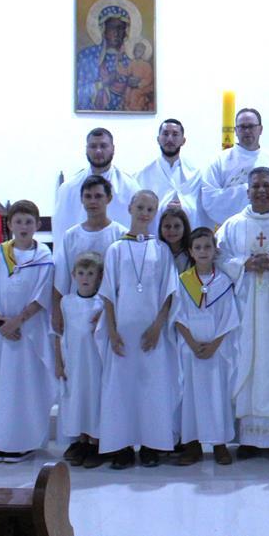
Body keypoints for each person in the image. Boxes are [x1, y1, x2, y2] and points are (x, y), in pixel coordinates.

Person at [217, 168, 269, 460]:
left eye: (267, 186)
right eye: (256, 186)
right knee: (246, 364)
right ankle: (249, 439)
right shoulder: (233, 225)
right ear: (247, 191)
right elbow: (220, 258)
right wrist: (244, 264)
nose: (261, 191)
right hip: (245, 309)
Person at [96, 190, 178, 469]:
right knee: (121, 389)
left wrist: (158, 326)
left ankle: (152, 444)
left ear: (155, 214)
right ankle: (121, 446)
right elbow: (108, 293)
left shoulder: (162, 250)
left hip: (152, 333)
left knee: (152, 388)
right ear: (130, 208)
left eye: (150, 209)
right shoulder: (116, 249)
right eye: (140, 207)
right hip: (123, 332)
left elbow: (169, 292)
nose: (144, 213)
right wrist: (111, 331)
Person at [0, 200, 56, 464]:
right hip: (2, 335)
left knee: (27, 388)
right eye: (18, 221)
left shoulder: (43, 256)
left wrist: (17, 321)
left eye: (29, 222)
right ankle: (3, 441)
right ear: (9, 225)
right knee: (1, 387)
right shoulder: (0, 253)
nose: (23, 227)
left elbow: (41, 296)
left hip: (28, 334)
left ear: (38, 225)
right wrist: (0, 323)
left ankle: (25, 442)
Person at [173, 227, 240, 467]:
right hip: (190, 351)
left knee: (216, 396)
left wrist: (214, 345)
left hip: (216, 351)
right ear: (190, 251)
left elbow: (229, 317)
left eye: (207, 247)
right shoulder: (183, 281)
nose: (203, 252)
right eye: (198, 247)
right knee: (190, 398)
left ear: (215, 250)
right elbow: (178, 316)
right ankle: (192, 445)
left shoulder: (223, 282)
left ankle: (219, 444)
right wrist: (191, 343)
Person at [51, 175, 127, 334]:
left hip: (110, 313)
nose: (93, 201)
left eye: (98, 196)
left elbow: (124, 281)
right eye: (88, 196)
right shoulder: (71, 236)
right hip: (76, 312)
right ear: (81, 199)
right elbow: (61, 277)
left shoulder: (120, 234)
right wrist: (57, 312)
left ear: (109, 198)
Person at [52, 128, 140, 254]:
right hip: (80, 266)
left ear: (113, 148)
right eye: (93, 146)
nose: (98, 151)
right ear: (86, 149)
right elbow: (60, 235)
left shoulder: (131, 188)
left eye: (103, 146)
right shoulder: (68, 189)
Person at [54, 251, 104, 467]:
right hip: (73, 362)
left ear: (99, 277)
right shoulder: (66, 302)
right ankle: (81, 441)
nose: (85, 277)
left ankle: (96, 443)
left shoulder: (102, 303)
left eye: (90, 273)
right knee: (77, 400)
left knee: (94, 399)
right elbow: (58, 335)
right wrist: (58, 362)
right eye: (81, 273)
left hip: (95, 363)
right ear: (73, 275)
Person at [200, 108, 269, 226]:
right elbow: (210, 200)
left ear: (260, 129)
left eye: (251, 126)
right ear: (235, 130)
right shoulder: (219, 161)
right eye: (242, 127)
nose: (247, 131)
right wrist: (246, 190)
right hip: (232, 230)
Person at [135, 118, 202, 228]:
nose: (170, 139)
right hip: (154, 238)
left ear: (183, 140)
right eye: (165, 134)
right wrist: (164, 208)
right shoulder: (143, 175)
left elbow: (200, 209)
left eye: (175, 134)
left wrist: (183, 207)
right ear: (158, 139)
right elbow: (138, 211)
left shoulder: (195, 174)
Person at [75, 5, 131, 111]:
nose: (116, 33)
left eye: (121, 28)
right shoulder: (87, 57)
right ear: (103, 30)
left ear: (125, 33)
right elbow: (78, 93)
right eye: (112, 28)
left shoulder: (129, 62)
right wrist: (102, 84)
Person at [122, 39, 155, 112]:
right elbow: (127, 72)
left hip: (142, 87)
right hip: (132, 85)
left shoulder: (146, 65)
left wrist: (139, 84)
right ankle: (127, 108)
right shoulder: (132, 63)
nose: (137, 53)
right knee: (127, 92)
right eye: (136, 50)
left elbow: (148, 78)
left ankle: (135, 109)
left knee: (135, 94)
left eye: (139, 51)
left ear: (143, 53)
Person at [158, 207, 192, 273]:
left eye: (177, 226)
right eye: (167, 226)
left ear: (184, 228)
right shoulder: (156, 252)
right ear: (160, 228)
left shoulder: (193, 252)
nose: (172, 230)